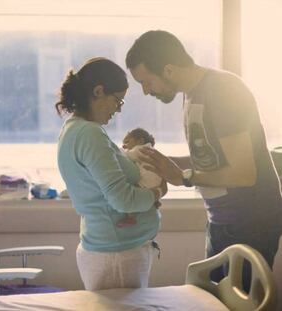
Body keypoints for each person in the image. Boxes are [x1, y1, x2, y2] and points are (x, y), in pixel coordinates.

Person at [125, 30, 282, 289]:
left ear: (168, 69)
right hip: (222, 221)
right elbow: (212, 157)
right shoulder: (192, 93)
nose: (145, 91)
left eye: (146, 81)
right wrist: (165, 162)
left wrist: (183, 177)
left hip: (250, 221)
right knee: (212, 300)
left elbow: (244, 173)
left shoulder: (222, 90)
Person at [56, 57, 166, 291]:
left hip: (113, 249)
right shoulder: (89, 134)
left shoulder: (74, 129)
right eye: (118, 100)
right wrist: (157, 192)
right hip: (117, 254)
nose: (119, 109)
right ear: (98, 91)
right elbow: (122, 199)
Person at [117, 128, 163, 228]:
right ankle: (154, 201)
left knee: (131, 193)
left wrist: (119, 150)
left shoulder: (140, 149)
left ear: (140, 141)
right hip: (156, 181)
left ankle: (131, 216)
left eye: (127, 142)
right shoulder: (150, 150)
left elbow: (126, 156)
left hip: (146, 181)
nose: (124, 146)